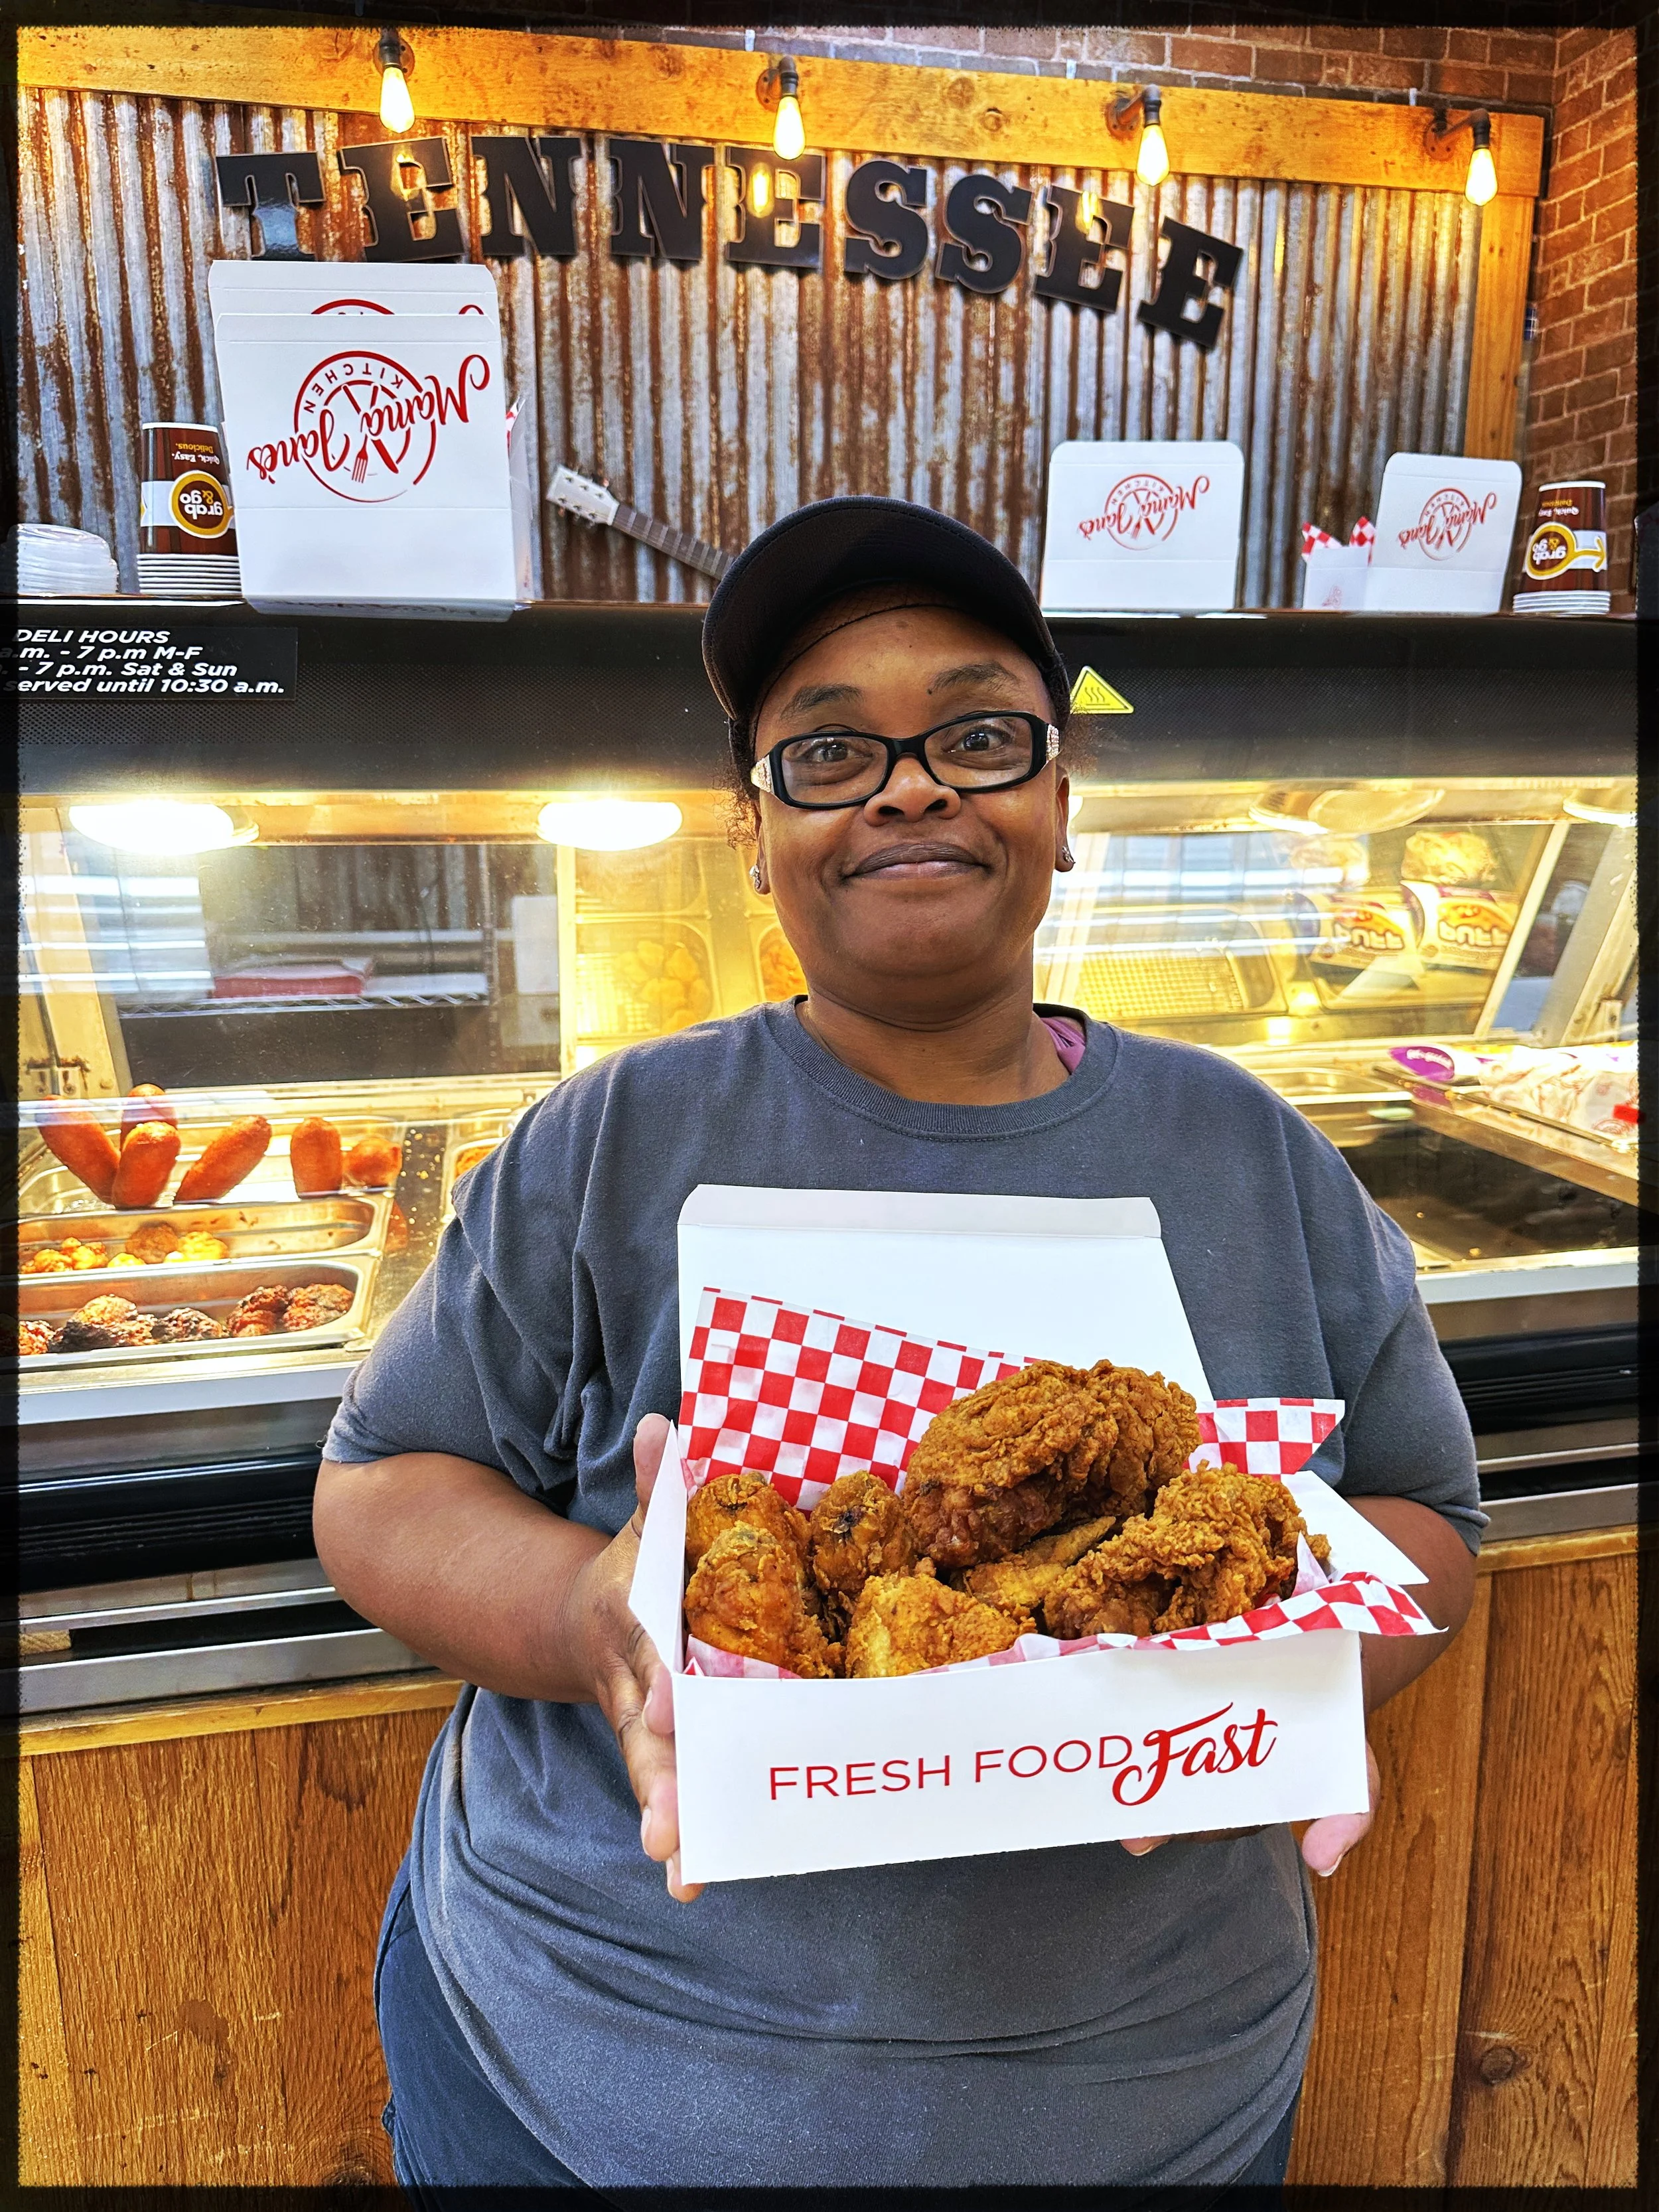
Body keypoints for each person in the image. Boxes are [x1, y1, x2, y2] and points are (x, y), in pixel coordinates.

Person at [315, 496, 1482, 2197]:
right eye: (828, 752)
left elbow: (1425, 1519)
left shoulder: (1249, 1153)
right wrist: (598, 1620)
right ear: (753, 832)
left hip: (1156, 2099)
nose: (911, 783)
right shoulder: (614, 1137)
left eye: (978, 735)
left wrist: (1263, 1693)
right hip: (579, 2082)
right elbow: (376, 1485)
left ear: (1060, 805)